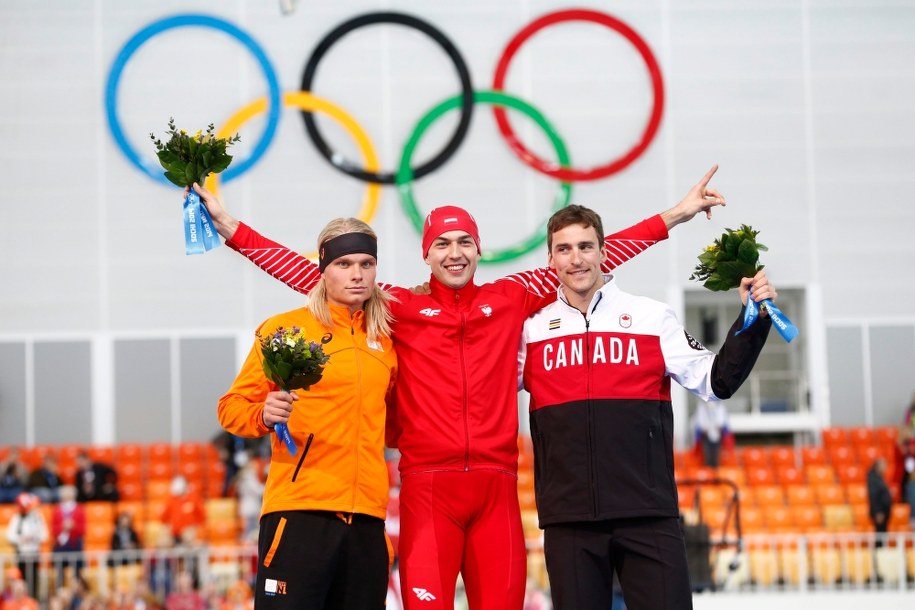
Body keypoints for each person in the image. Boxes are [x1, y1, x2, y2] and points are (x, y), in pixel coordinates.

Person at [193, 165, 724, 609]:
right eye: (442, 243)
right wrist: (231, 228)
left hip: (496, 488)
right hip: (427, 491)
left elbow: (593, 256)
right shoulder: (394, 306)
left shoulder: (512, 296)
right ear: (426, 253)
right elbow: (307, 270)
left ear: (478, 249)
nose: (454, 252)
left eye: (465, 241)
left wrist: (675, 215)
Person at [518, 204, 775, 610]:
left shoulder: (651, 318)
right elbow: (477, 385)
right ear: (550, 259)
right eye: (564, 249)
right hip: (568, 521)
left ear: (604, 251)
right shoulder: (530, 332)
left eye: (586, 246)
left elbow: (717, 381)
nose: (577, 258)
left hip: (647, 514)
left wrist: (752, 319)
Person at [218, 217, 398, 610]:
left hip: (367, 519)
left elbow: (397, 427)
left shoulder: (386, 340)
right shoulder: (285, 329)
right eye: (344, 264)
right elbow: (231, 408)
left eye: (367, 264)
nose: (357, 275)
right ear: (322, 267)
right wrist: (263, 415)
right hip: (299, 512)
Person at [4, 492, 48, 599]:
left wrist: (34, 537)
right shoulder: (17, 518)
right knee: (21, 580)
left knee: (34, 580)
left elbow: (44, 535)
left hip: (34, 553)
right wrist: (20, 539)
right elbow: (9, 535)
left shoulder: (38, 518)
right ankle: (21, 601)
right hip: (21, 554)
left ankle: (33, 601)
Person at [51, 485, 86, 586]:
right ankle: (60, 591)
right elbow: (53, 529)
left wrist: (73, 526)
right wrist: (62, 527)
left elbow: (83, 529)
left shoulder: (79, 509)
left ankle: (77, 592)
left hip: (74, 544)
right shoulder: (57, 510)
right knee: (59, 572)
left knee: (77, 572)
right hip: (61, 545)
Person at [693, 399, 730, 468]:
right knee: (707, 459)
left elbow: (722, 421)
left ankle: (715, 476)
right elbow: (700, 422)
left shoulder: (720, 405)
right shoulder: (702, 406)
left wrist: (718, 428)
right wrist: (705, 429)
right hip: (705, 436)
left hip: (717, 435)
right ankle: (708, 476)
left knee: (716, 459)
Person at [867, 457, 893, 547]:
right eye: (883, 466)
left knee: (882, 536)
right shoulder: (873, 479)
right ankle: (878, 557)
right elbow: (874, 496)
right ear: (877, 467)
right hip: (880, 513)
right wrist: (877, 512)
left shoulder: (879, 478)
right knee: (879, 536)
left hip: (884, 513)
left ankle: (881, 555)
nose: (885, 468)